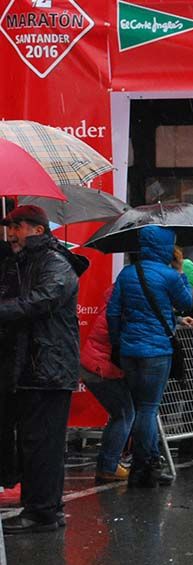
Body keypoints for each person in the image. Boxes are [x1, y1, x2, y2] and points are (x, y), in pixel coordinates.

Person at [0, 205, 89, 534]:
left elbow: (43, 299)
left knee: (43, 444)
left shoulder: (54, 262)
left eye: (17, 226)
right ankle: (43, 507)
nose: (11, 233)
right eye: (9, 226)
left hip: (47, 368)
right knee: (33, 442)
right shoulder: (23, 262)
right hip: (31, 368)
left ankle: (43, 512)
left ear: (37, 229)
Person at [107, 226, 193, 488]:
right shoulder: (169, 275)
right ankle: (144, 468)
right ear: (166, 247)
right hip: (157, 350)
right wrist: (183, 276)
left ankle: (148, 461)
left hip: (130, 349)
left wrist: (118, 342)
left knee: (138, 407)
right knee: (148, 408)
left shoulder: (127, 273)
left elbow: (113, 312)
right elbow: (187, 303)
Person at [81, 287, 133, 484]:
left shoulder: (116, 301)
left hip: (93, 365)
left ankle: (108, 464)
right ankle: (108, 466)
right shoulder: (124, 309)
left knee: (121, 413)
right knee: (124, 414)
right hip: (100, 368)